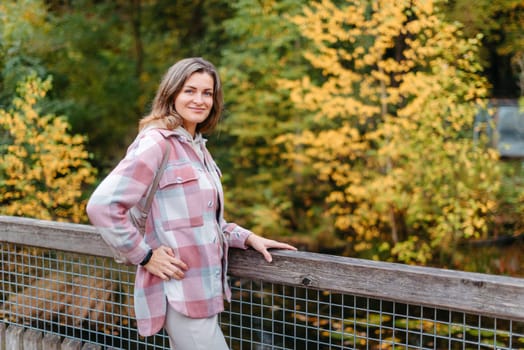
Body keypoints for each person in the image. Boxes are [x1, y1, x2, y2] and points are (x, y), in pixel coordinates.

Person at [86, 57, 297, 349]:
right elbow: (102, 206)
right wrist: (144, 255)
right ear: (172, 93)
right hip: (178, 292)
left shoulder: (198, 148)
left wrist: (246, 237)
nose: (199, 100)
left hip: (205, 292)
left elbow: (205, 222)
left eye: (207, 93)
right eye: (190, 90)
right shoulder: (157, 143)